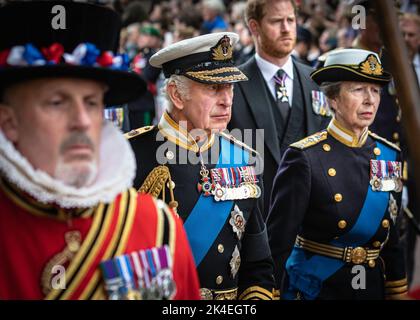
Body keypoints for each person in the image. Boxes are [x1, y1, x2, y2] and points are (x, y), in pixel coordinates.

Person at [0, 0, 200, 300]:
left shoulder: (157, 225)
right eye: (57, 102)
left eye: (92, 102)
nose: (82, 121)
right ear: (8, 121)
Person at [127, 32, 276, 300]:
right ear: (176, 94)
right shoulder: (131, 157)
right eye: (213, 88)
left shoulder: (245, 158)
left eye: (229, 87)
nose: (227, 99)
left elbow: (258, 264)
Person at [267, 48, 408, 300]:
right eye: (358, 90)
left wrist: (397, 291)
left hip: (371, 288)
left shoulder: (389, 154)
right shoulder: (305, 157)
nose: (370, 100)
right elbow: (278, 241)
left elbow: (392, 240)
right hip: (319, 288)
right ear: (333, 99)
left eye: (375, 90)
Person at [228, 0, 331, 219]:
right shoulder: (231, 86)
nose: (286, 29)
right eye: (276, 21)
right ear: (254, 27)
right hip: (253, 219)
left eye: (291, 20)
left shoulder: (316, 81)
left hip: (310, 221)